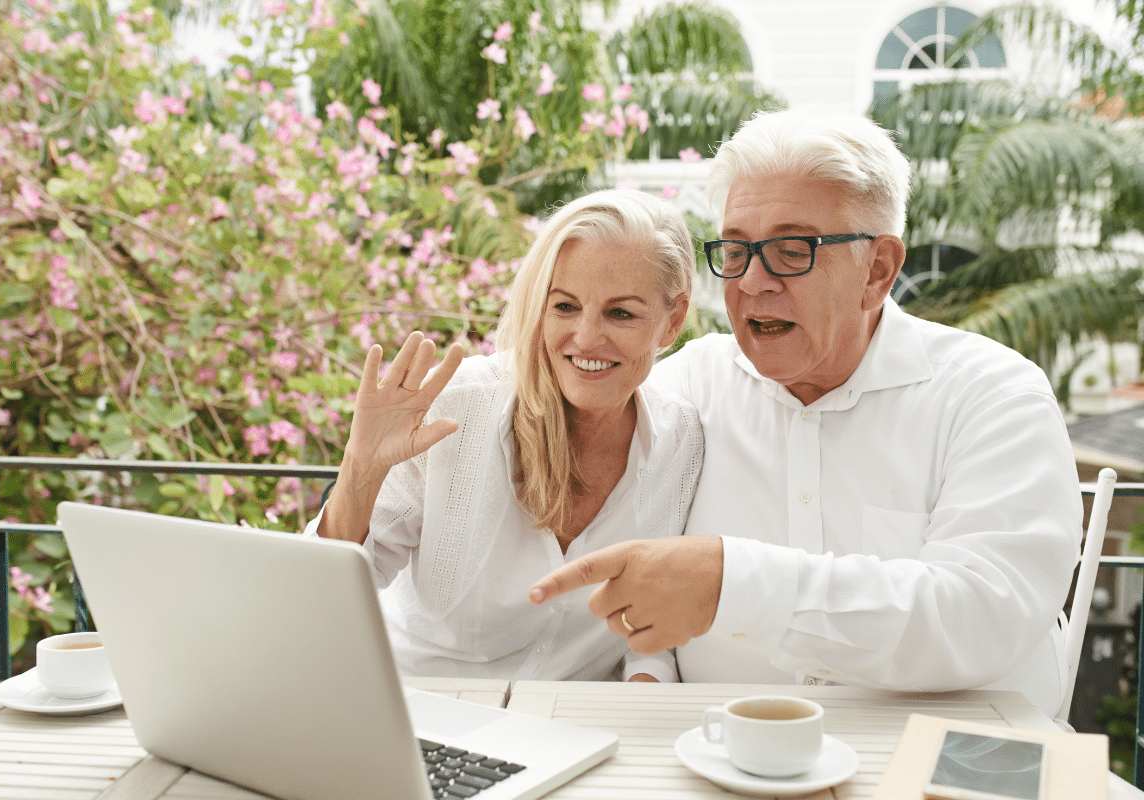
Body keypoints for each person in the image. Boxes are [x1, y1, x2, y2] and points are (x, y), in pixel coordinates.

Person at [528, 109, 1083, 718]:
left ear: (878, 270)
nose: (754, 282)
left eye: (792, 251)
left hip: (941, 764)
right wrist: (649, 677)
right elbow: (641, 579)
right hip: (716, 759)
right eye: (736, 251)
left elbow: (982, 615)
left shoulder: (994, 395)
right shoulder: (683, 388)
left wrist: (733, 584)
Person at [307, 188, 703, 683]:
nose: (585, 337)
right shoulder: (457, 407)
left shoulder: (682, 442)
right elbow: (321, 601)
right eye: (564, 306)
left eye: (620, 313)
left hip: (571, 732)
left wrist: (646, 688)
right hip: (425, 716)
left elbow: (650, 624)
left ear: (672, 322)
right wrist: (361, 469)